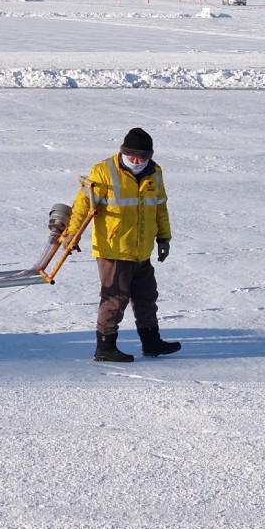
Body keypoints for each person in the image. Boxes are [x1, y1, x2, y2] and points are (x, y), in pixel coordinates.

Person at [65, 127, 182, 362]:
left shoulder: (155, 173)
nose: (137, 161)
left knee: (147, 297)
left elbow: (160, 207)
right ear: (123, 152)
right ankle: (105, 348)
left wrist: (164, 238)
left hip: (142, 250)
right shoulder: (103, 171)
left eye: (142, 157)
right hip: (113, 250)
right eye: (133, 156)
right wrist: (72, 235)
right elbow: (82, 206)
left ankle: (151, 342)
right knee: (115, 299)